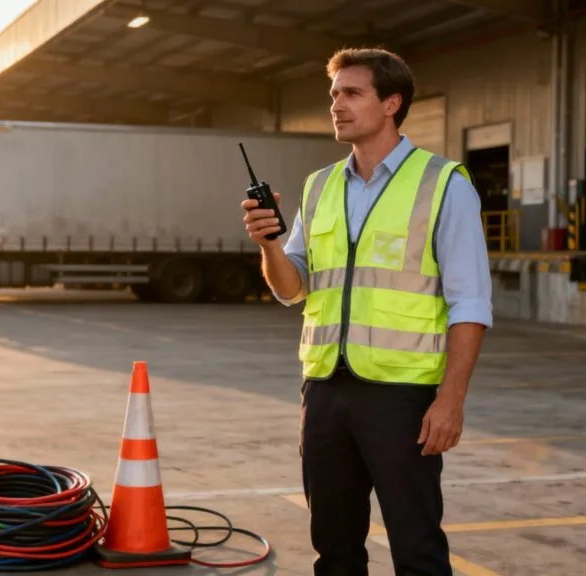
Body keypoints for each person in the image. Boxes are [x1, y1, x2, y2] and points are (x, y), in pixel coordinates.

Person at [241, 47, 492, 575]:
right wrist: (269, 243)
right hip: (326, 391)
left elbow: (469, 302)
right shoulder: (319, 186)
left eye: (352, 93)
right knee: (334, 547)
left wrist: (451, 400)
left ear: (392, 103)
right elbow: (293, 290)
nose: (337, 104)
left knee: (416, 547)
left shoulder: (443, 184)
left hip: (402, 399)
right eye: (334, 94)